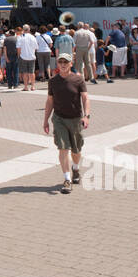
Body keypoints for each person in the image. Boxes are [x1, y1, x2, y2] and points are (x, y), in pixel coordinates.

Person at [42, 53, 89, 195]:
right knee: (63, 148)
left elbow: (85, 98)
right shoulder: (53, 81)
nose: (63, 64)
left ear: (71, 63)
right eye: (60, 61)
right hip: (59, 118)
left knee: (76, 150)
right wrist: (45, 120)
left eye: (65, 62)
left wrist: (86, 116)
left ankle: (75, 168)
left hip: (75, 119)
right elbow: (50, 101)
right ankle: (67, 179)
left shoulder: (78, 79)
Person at [17, 25, 38, 92]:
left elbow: (18, 48)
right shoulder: (33, 37)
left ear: (23, 30)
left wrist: (19, 55)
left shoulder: (20, 37)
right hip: (31, 56)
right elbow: (36, 47)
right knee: (32, 72)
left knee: (25, 72)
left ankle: (25, 87)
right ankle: (32, 86)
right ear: (29, 30)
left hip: (23, 56)